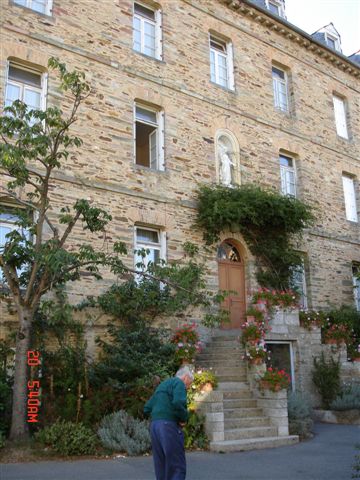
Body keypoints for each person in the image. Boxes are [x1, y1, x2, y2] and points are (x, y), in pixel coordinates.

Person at [144, 365, 194, 480]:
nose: (188, 387)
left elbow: (147, 407)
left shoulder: (162, 386)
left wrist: (158, 414)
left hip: (155, 427)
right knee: (177, 465)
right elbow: (178, 402)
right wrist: (183, 418)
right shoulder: (179, 383)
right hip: (168, 426)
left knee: (161, 465)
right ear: (186, 377)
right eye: (189, 384)